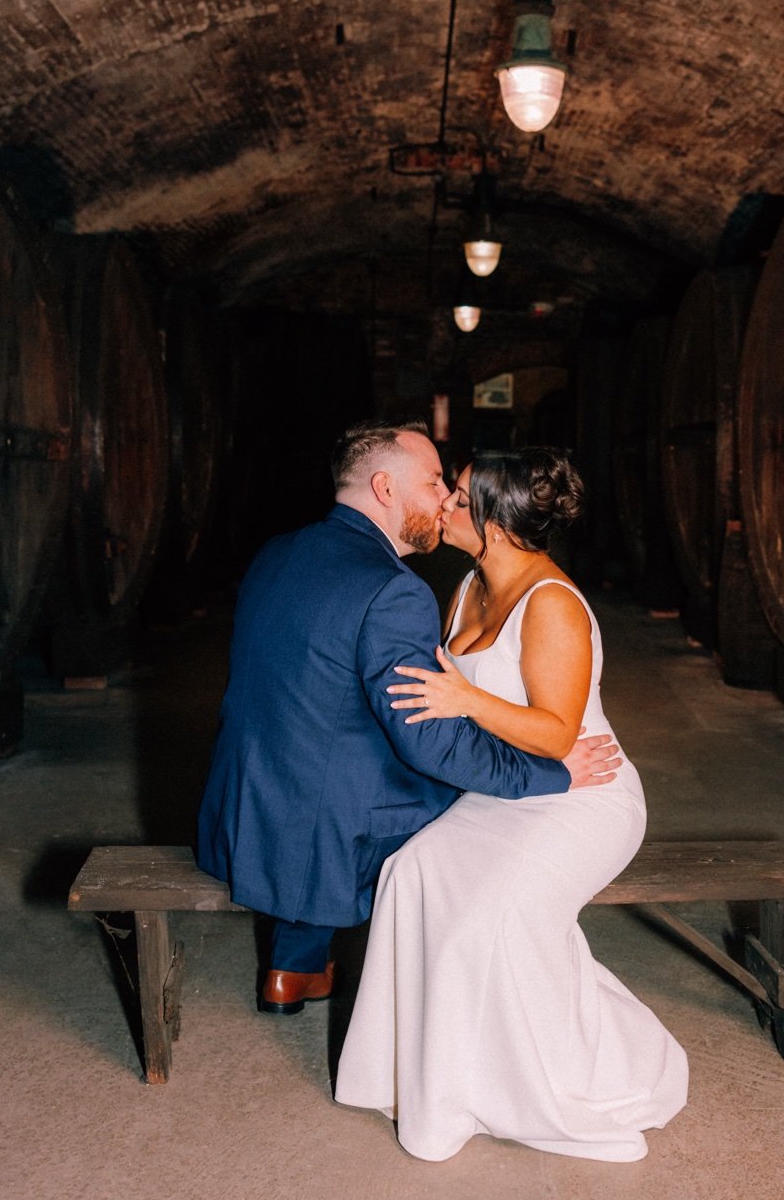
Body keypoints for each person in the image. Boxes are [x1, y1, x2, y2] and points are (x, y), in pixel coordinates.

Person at [334, 448, 687, 1161]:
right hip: (506, 787)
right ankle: (429, 1080)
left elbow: (558, 733)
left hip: (582, 793)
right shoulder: (467, 589)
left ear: (493, 520)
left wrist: (465, 697)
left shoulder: (551, 603)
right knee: (413, 875)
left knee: (486, 919)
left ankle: (563, 1078)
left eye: (458, 496)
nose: (445, 504)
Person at [196, 421, 620, 1015]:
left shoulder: (278, 552)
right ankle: (430, 1001)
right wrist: (551, 775)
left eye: (454, 490)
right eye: (434, 481)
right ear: (386, 490)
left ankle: (294, 967)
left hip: (247, 807)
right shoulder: (394, 591)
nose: (445, 498)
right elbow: (432, 747)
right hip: (324, 822)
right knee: (447, 795)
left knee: (353, 746)